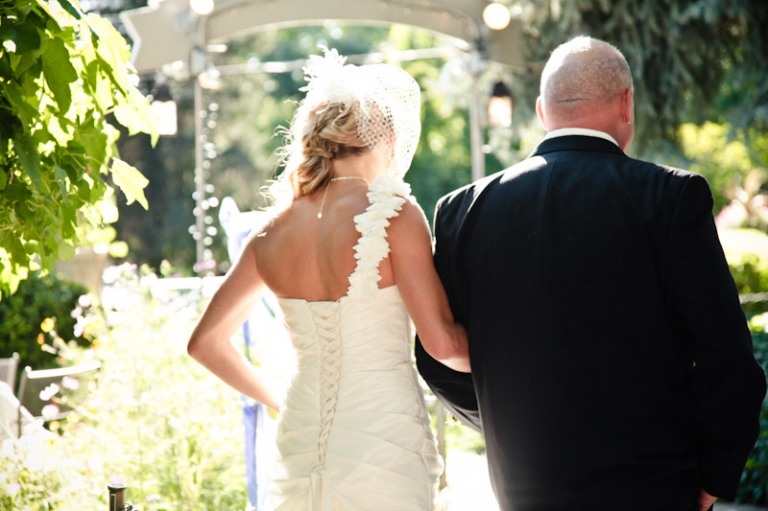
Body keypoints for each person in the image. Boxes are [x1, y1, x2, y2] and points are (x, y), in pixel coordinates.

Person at [416, 36, 766, 511]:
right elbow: (728, 360)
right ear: (627, 103)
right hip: (656, 489)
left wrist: (513, 427)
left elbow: (438, 359)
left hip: (523, 488)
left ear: (542, 111)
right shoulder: (669, 197)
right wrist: (712, 478)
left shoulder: (462, 210)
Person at [187, 47, 469, 511]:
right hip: (383, 436)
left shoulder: (269, 233)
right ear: (387, 139)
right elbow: (442, 345)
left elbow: (204, 344)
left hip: (302, 428)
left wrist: (280, 399)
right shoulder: (393, 213)